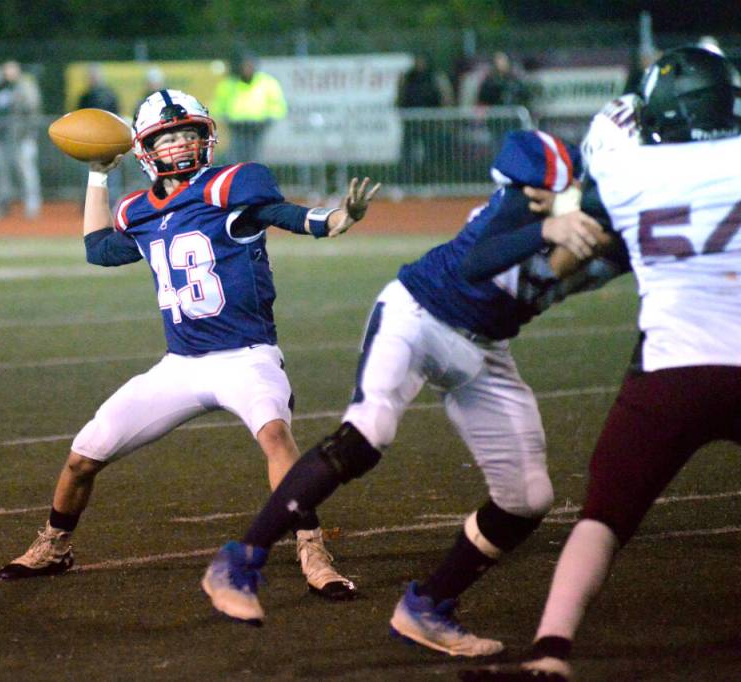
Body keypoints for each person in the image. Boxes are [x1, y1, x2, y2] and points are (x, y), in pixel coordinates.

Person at [202, 128, 629, 645]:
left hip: (483, 345)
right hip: (420, 314)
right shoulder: (520, 209)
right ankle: (239, 561)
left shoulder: (623, 226)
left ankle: (428, 607)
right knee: (369, 430)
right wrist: (549, 229)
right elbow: (477, 263)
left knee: (526, 497)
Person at [0, 89, 381, 604]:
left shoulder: (230, 187)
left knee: (275, 436)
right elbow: (97, 251)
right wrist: (98, 174)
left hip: (247, 356)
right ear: (146, 149)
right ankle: (54, 546)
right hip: (180, 365)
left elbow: (288, 215)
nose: (179, 144)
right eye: (168, 136)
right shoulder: (138, 209)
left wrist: (336, 219)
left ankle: (312, 549)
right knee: (84, 455)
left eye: (188, 134)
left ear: (206, 138)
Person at [460, 46, 741, 682]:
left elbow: (584, 238)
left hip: (670, 370)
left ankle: (551, 651)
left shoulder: (625, 171)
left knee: (603, 520)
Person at [0, 60, 42, 219]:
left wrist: (27, 133)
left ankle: (32, 206)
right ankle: (3, 205)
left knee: (26, 171)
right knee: (2, 174)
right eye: (5, 71)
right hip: (2, 138)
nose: (7, 75)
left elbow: (32, 110)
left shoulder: (25, 88)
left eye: (10, 71)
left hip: (22, 138)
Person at [210, 53, 287, 164]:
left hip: (258, 127)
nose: (247, 69)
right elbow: (218, 106)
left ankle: (254, 177)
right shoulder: (229, 84)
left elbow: (277, 105)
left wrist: (268, 119)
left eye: (250, 66)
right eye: (245, 66)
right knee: (236, 156)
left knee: (255, 156)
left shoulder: (267, 82)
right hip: (236, 127)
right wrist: (225, 118)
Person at [395, 55, 455, 185]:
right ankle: (406, 184)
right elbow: (400, 97)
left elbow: (445, 97)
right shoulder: (408, 77)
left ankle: (430, 182)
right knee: (408, 155)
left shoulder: (434, 77)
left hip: (431, 123)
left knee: (431, 155)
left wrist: (442, 117)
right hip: (411, 122)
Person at [77, 65, 124, 210]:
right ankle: (90, 202)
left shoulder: (109, 94)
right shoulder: (85, 96)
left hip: (108, 140)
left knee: (111, 170)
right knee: (90, 171)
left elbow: (116, 115)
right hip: (89, 140)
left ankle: (111, 202)